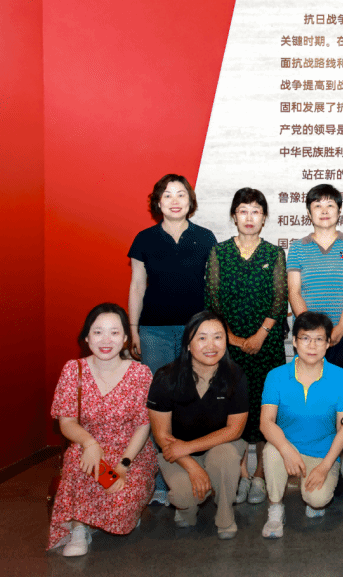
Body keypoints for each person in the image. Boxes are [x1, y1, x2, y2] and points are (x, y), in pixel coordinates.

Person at [128, 173, 217, 503]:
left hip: (197, 333)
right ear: (158, 202)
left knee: (195, 398)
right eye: (167, 195)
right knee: (159, 402)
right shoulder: (145, 239)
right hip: (155, 331)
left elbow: (213, 287)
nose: (175, 200)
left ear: (190, 200)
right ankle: (162, 482)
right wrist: (133, 329)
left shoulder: (205, 237)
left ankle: (197, 470)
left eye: (181, 194)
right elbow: (137, 286)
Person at [47, 303, 156, 556]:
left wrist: (123, 467)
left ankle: (118, 513)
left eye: (114, 332)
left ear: (125, 338)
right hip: (88, 447)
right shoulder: (73, 370)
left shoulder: (140, 374)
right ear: (87, 337)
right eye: (98, 332)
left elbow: (143, 425)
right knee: (78, 463)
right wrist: (90, 443)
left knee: (120, 501)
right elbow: (67, 422)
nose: (106, 340)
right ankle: (79, 527)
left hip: (131, 453)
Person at [205, 188, 288, 506]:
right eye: (243, 210)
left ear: (264, 218)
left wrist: (260, 335)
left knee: (267, 408)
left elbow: (279, 300)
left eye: (256, 211)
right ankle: (240, 474)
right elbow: (212, 300)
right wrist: (234, 339)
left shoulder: (273, 254)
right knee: (234, 409)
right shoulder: (220, 253)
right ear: (233, 216)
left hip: (266, 346)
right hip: (228, 346)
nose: (249, 217)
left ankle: (260, 476)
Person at [146, 311, 249, 539]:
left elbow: (235, 430)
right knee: (184, 496)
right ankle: (186, 509)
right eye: (202, 338)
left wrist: (188, 447)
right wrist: (192, 465)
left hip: (219, 447)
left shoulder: (235, 375)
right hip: (176, 454)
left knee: (225, 458)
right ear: (188, 345)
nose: (211, 345)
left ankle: (225, 516)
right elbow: (161, 434)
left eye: (218, 337)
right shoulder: (166, 377)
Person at [259, 312, 343, 539]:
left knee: (317, 500)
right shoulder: (276, 376)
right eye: (305, 338)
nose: (312, 345)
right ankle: (275, 507)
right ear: (294, 341)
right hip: (287, 449)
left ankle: (314, 493)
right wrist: (286, 449)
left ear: (328, 343)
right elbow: (266, 422)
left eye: (319, 339)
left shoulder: (341, 377)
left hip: (322, 453)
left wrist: (325, 466)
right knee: (271, 451)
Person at [287, 184, 343, 388]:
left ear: (339, 211)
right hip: (307, 334)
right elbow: (294, 292)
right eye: (317, 205)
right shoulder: (297, 248)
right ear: (308, 213)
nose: (324, 211)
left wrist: (340, 328)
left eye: (330, 205)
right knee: (308, 386)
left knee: (341, 388)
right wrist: (312, 331)